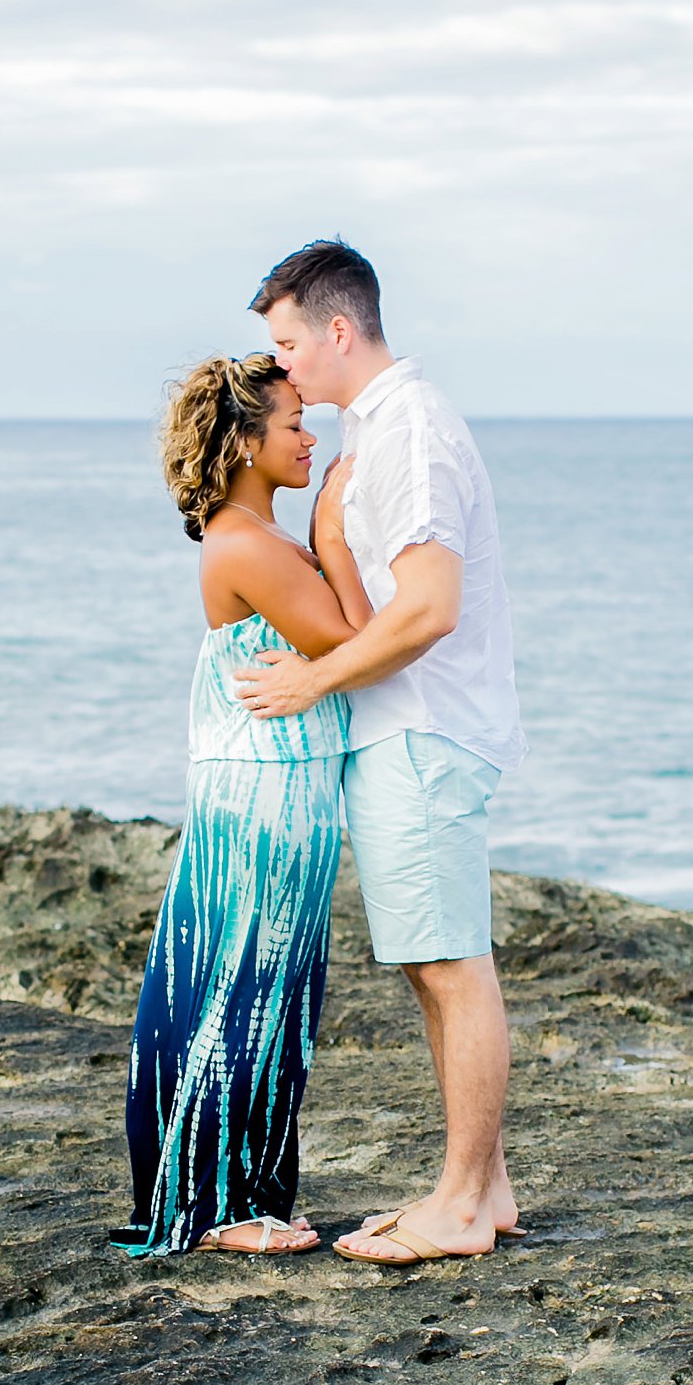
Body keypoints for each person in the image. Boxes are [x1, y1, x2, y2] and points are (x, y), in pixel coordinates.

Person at [237, 238, 525, 1266]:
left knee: (451, 966)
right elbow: (380, 600)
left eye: (286, 345)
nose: (282, 372)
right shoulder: (379, 435)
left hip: (423, 730)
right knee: (430, 964)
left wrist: (310, 680)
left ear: (338, 330)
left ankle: (456, 1202)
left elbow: (430, 609)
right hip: (401, 731)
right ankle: (479, 1188)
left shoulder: (407, 430)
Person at [116, 353, 373, 1257]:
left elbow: (333, 653)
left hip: (288, 791)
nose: (310, 438)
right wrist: (334, 535)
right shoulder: (245, 543)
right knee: (241, 991)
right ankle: (215, 1209)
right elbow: (353, 641)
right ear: (243, 440)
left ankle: (249, 1191)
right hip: (262, 799)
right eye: (295, 424)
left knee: (275, 998)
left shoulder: (262, 540)